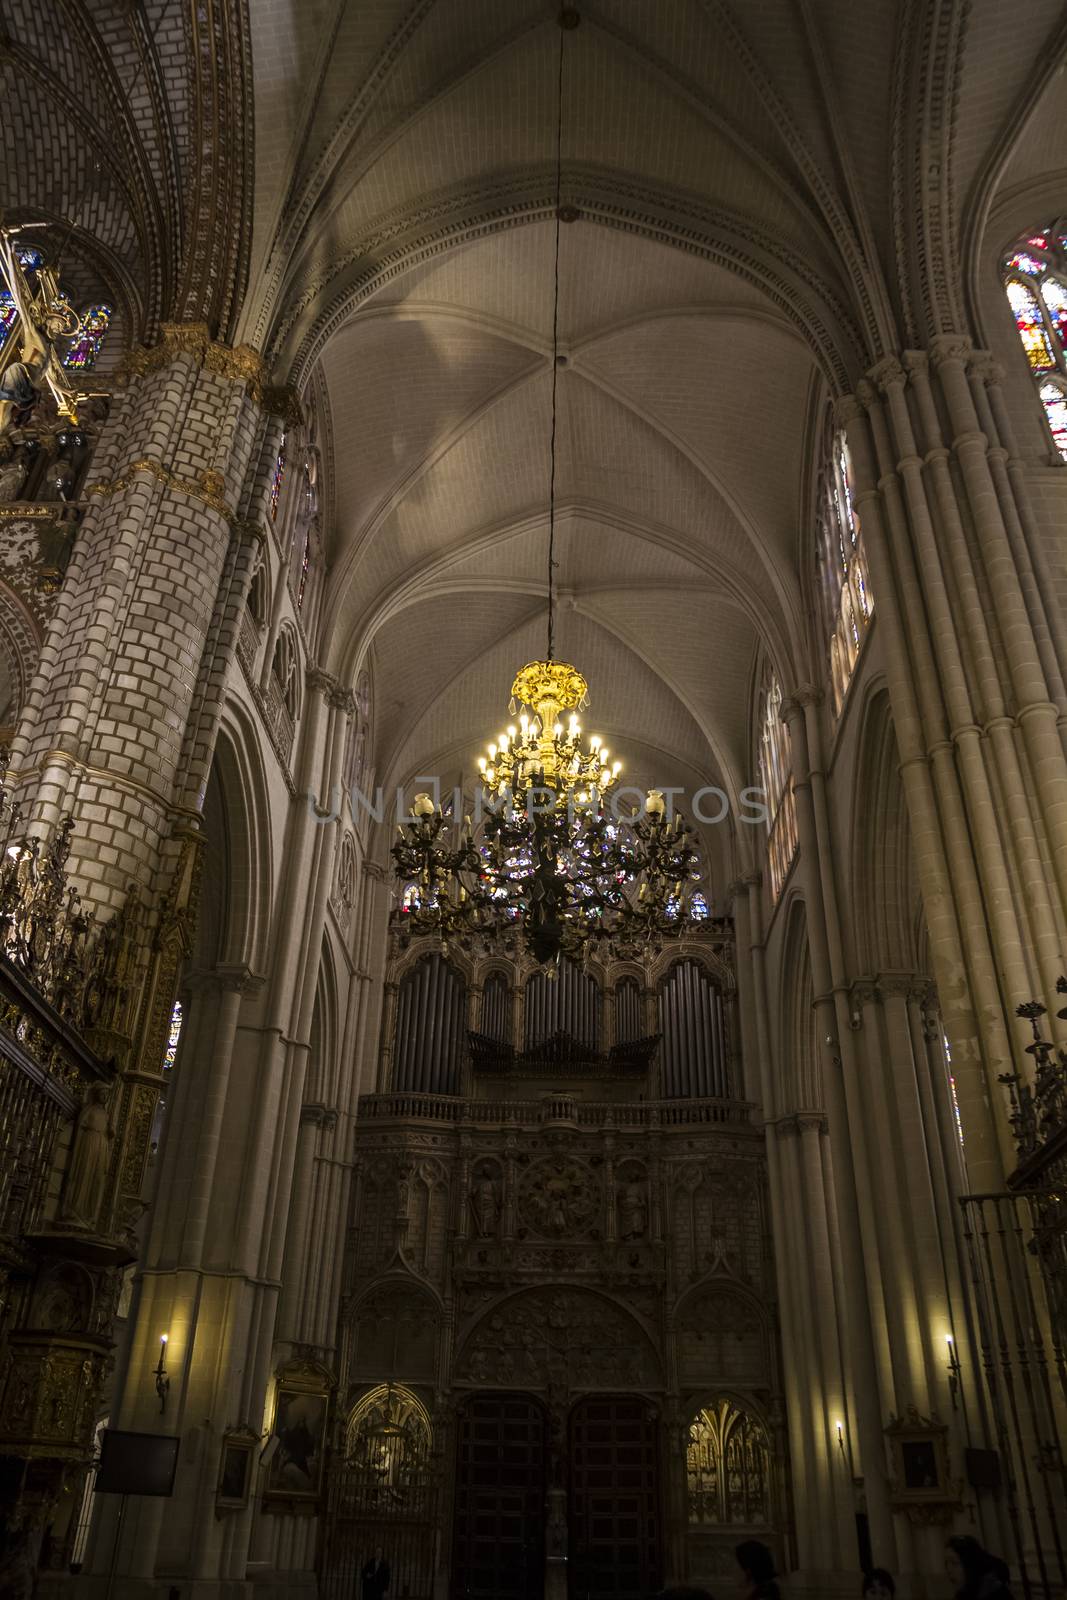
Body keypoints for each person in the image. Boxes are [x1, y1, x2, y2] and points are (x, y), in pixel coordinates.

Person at [945, 1536, 1013, 1599]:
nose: (949, 1570)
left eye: (954, 1563)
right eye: (946, 1563)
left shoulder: (997, 1594)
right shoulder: (963, 1594)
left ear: (971, 1565)